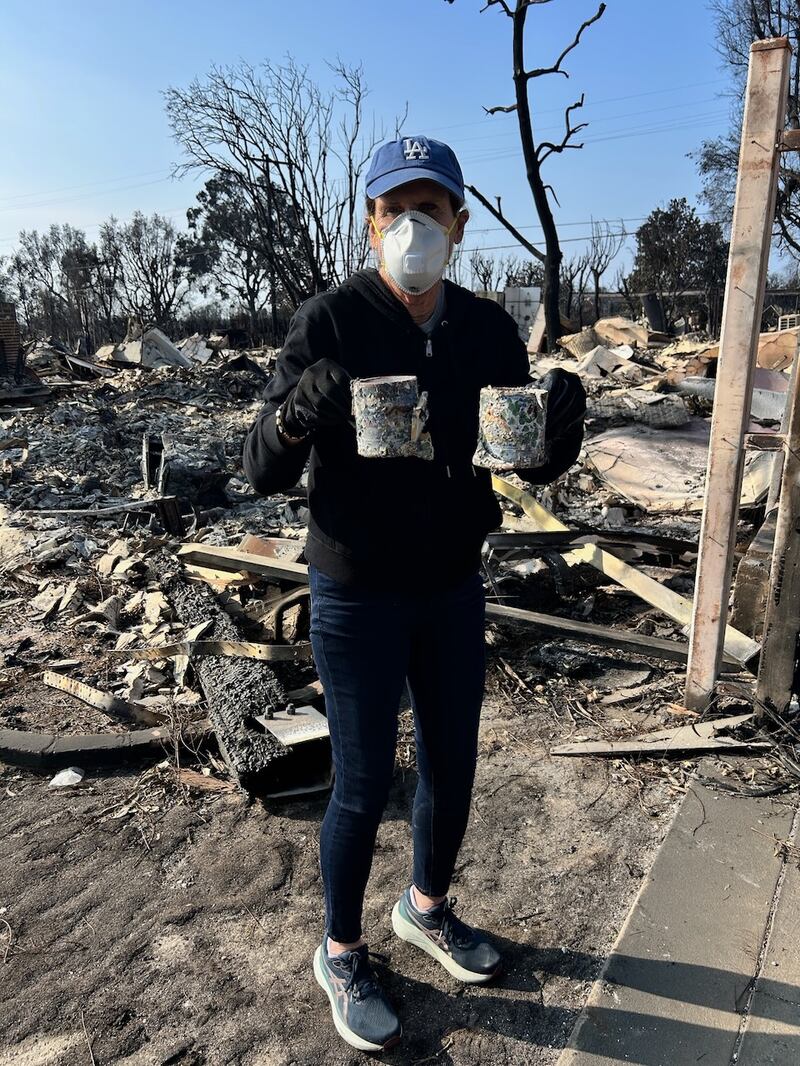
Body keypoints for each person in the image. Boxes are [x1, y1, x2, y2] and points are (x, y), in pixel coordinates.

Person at [243, 134, 585, 1053]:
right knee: (360, 782)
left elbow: (514, 455)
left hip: (449, 581)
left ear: (459, 225)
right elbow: (259, 465)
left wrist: (554, 443)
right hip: (356, 588)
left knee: (454, 762)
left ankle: (425, 908)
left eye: (430, 212)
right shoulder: (331, 321)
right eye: (396, 211)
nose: (412, 228)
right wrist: (295, 412)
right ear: (371, 225)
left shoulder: (484, 329)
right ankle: (342, 950)